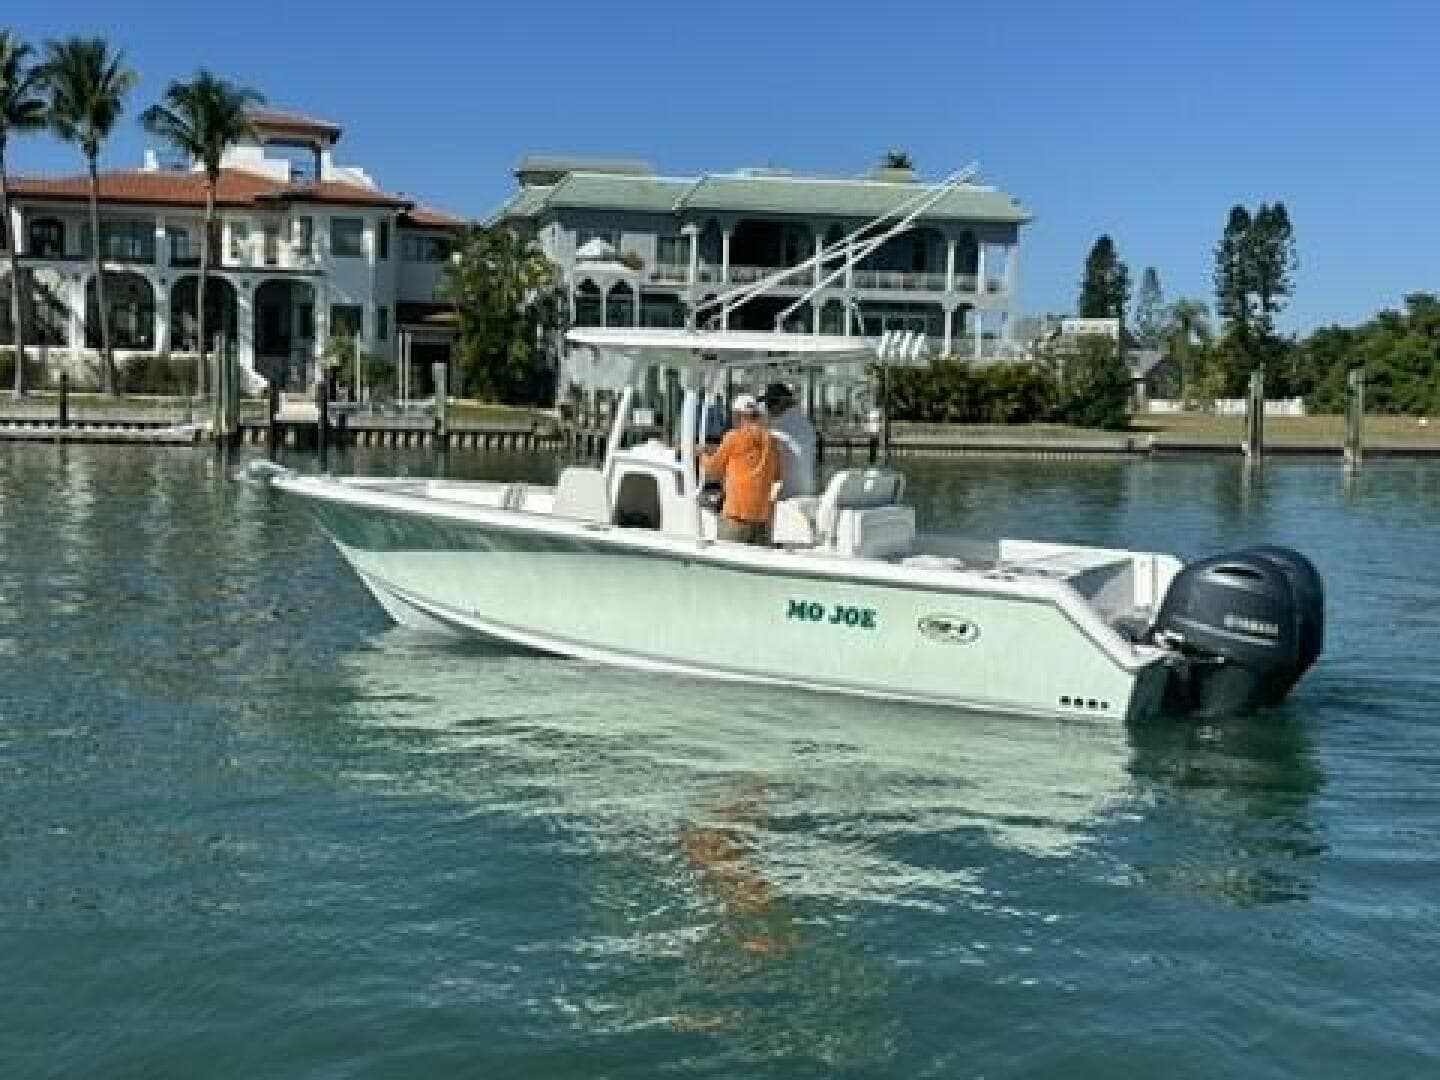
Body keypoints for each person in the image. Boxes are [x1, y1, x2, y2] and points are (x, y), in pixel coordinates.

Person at [700, 394, 781, 545]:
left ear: (737, 415)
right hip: (761, 520)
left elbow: (712, 468)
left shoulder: (734, 437)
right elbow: (777, 474)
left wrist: (701, 454)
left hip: (736, 517)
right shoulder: (771, 440)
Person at [761, 382, 817, 498]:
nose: (767, 408)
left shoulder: (778, 429)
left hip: (787, 495)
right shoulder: (806, 424)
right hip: (808, 493)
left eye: (769, 403)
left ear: (779, 402)